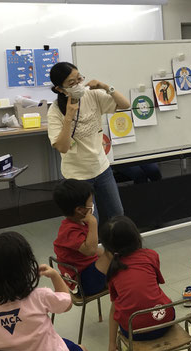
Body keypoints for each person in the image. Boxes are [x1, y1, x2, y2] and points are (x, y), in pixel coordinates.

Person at [48, 62, 130, 228]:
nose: (78, 85)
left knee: (117, 214)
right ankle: (93, 254)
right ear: (60, 89)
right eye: (71, 83)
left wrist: (105, 86)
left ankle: (115, 251)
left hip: (101, 168)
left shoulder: (92, 95)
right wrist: (69, 116)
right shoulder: (55, 111)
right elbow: (62, 147)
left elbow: (125, 105)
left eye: (79, 79)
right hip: (77, 177)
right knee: (90, 222)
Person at [103, 216, 174, 351]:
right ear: (136, 236)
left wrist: (111, 343)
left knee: (123, 309)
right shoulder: (151, 255)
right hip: (165, 322)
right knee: (150, 299)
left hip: (134, 332)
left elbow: (115, 309)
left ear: (108, 248)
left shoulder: (113, 271)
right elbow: (152, 286)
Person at [53, 179, 113, 296]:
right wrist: (93, 223)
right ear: (80, 210)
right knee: (113, 256)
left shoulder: (78, 222)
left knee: (115, 258)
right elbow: (90, 250)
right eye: (90, 202)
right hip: (81, 283)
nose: (92, 204)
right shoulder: (69, 231)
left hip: (87, 271)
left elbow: (95, 251)